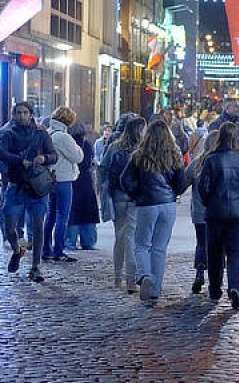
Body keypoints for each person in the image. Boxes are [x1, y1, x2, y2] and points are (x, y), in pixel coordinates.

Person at [120, 120, 189, 303]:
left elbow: (125, 180)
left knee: (142, 244)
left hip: (146, 204)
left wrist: (137, 193)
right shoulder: (175, 155)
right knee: (159, 248)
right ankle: (155, 289)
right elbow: (181, 184)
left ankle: (144, 276)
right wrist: (172, 193)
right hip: (168, 205)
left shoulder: (139, 155)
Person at [0, 102, 58, 283]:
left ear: (31, 114)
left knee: (38, 226)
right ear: (14, 115)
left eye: (25, 113)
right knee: (9, 224)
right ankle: (16, 250)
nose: (21, 116)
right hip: (16, 185)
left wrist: (43, 158)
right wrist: (18, 162)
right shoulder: (7, 133)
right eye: (18, 113)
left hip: (37, 186)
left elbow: (53, 155)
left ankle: (36, 266)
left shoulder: (40, 133)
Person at [197, 122, 239, 309]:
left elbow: (203, 187)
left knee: (214, 253)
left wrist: (209, 202)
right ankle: (234, 286)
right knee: (234, 253)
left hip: (215, 213)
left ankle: (215, 289)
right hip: (238, 215)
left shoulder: (211, 159)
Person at [98, 116, 146, 291]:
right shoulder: (143, 149)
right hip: (136, 197)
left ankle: (118, 277)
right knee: (131, 237)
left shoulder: (114, 147)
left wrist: (105, 190)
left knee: (120, 236)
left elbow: (103, 169)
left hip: (118, 195)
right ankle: (131, 280)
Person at [43, 107, 84, 263]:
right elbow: (78, 156)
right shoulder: (63, 137)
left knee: (51, 215)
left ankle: (46, 249)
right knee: (62, 216)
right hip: (64, 179)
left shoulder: (48, 132)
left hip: (51, 179)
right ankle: (58, 250)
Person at [187, 129, 219, 294]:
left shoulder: (197, 162)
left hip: (200, 212)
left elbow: (182, 182)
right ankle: (215, 280)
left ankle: (200, 271)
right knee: (217, 246)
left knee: (201, 243)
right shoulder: (222, 161)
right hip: (218, 212)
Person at [66, 122, 100, 251]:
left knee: (72, 212)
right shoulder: (87, 145)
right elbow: (90, 163)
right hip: (85, 182)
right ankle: (88, 241)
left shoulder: (69, 146)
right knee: (88, 212)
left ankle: (70, 241)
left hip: (72, 180)